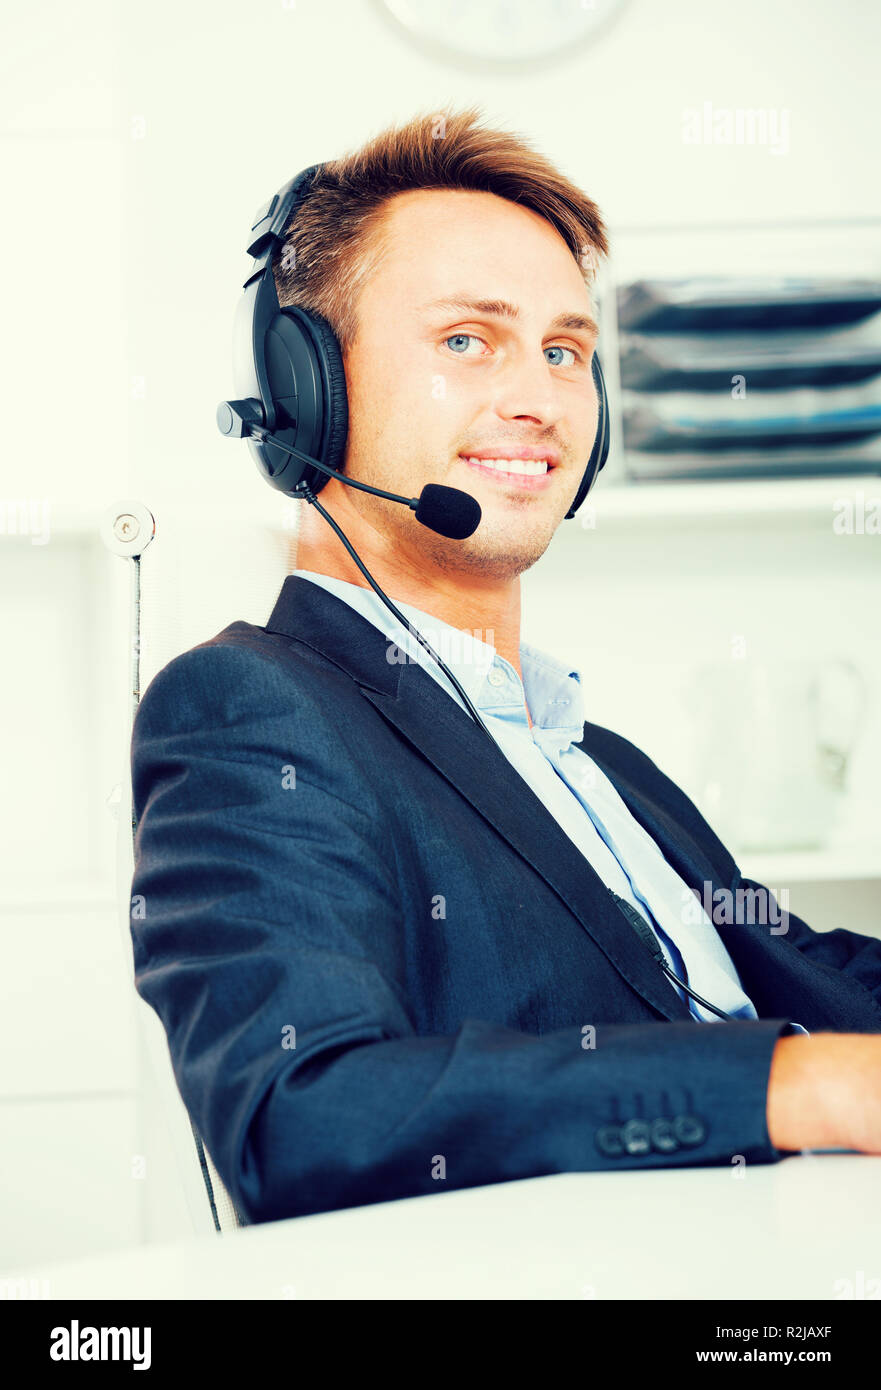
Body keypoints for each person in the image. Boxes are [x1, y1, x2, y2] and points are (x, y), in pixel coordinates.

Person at [130, 107, 881, 1225]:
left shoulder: (591, 758)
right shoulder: (246, 709)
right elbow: (302, 1112)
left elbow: (792, 965)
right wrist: (795, 1085)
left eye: (565, 350)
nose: (537, 396)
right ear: (307, 389)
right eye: (467, 339)